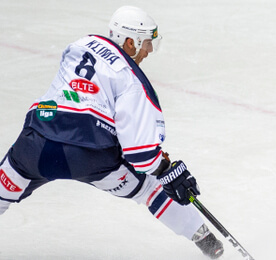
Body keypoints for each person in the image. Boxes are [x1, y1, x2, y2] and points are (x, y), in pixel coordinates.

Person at [0, 6, 223, 259]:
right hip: (88, 155)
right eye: (147, 43)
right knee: (150, 188)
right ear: (130, 42)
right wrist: (166, 170)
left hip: (36, 143)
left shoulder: (83, 43)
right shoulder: (133, 81)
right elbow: (141, 155)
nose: (149, 51)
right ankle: (206, 239)